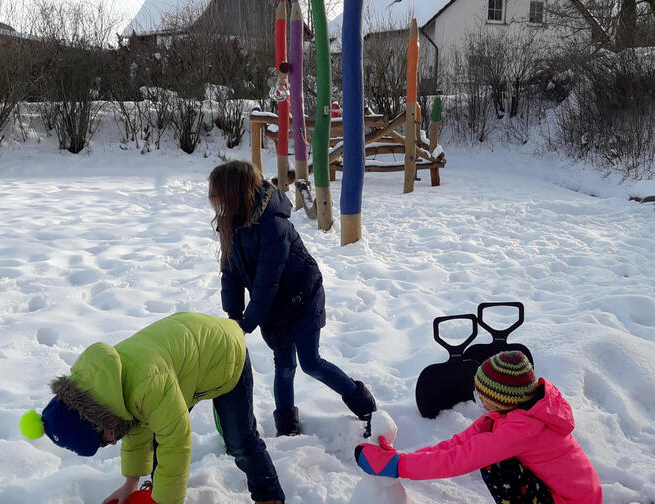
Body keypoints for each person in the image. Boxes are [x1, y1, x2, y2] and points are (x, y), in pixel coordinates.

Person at [19, 312, 285, 504]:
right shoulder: (107, 385)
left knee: (239, 440)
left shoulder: (147, 386)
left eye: (101, 441)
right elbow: (135, 429)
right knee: (156, 430)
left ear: (98, 422)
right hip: (187, 357)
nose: (110, 444)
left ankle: (270, 496)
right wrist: (130, 483)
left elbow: (176, 441)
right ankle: (158, 488)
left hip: (225, 352)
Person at [209, 160, 376, 437]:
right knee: (283, 364)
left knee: (310, 362)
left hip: (302, 298)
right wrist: (233, 317)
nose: (213, 200)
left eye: (217, 193)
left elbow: (266, 281)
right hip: (274, 307)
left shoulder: (272, 224)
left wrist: (247, 323)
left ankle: (363, 403)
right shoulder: (232, 222)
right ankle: (287, 426)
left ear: (235, 191)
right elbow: (230, 272)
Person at [354, 351, 603, 504]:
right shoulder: (517, 414)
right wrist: (399, 461)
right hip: (570, 493)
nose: (478, 400)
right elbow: (456, 444)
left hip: (572, 501)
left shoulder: (521, 431)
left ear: (503, 399)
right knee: (492, 456)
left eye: (483, 396)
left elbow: (460, 458)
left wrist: (398, 467)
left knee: (496, 463)